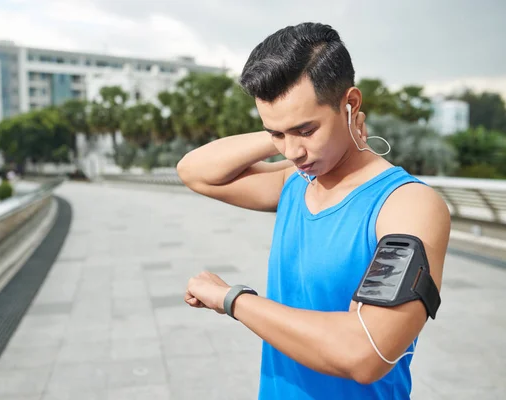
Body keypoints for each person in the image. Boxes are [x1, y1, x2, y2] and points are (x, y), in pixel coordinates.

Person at [178, 22, 450, 399]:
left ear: (350, 104)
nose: (292, 153)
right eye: (277, 135)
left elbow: (367, 351)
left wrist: (233, 299)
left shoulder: (408, 206)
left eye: (306, 130)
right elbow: (194, 172)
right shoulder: (295, 181)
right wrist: (286, 127)